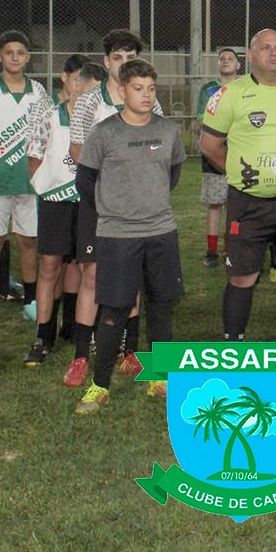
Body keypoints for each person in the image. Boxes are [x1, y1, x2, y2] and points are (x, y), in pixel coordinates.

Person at [73, 59, 185, 414]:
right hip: (118, 235)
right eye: (138, 88)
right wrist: (114, 209)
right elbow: (85, 181)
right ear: (122, 91)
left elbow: (173, 172)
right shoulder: (104, 133)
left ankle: (159, 376)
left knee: (161, 306)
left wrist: (150, 202)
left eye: (151, 88)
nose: (146, 95)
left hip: (161, 232)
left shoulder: (168, 131)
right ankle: (100, 385)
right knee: (114, 310)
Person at [199, 29, 276, 342]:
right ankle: (234, 343)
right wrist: (240, 173)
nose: (274, 53)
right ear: (250, 56)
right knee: (243, 276)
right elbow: (210, 146)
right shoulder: (229, 94)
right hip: (248, 203)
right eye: (266, 48)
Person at [65, 29, 163, 387]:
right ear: (106, 61)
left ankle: (129, 351)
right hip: (98, 202)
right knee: (92, 275)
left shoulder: (151, 102)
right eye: (117, 57)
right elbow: (77, 150)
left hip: (137, 206)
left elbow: (159, 147)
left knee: (131, 274)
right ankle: (80, 356)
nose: (124, 64)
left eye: (130, 57)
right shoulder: (90, 102)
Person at [23, 62, 103, 366]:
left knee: (85, 266)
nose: (87, 95)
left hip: (88, 202)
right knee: (50, 265)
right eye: (81, 85)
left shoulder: (101, 120)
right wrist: (46, 187)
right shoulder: (50, 115)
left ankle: (77, 328)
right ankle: (43, 335)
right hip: (56, 201)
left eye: (95, 91)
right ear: (71, 83)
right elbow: (34, 156)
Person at [0, 30, 45, 330]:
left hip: (28, 180)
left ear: (28, 57)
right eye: (9, 52)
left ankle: (30, 300)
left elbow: (43, 132)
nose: (15, 58)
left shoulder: (38, 90)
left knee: (29, 240)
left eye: (21, 53)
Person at [196, 48, 241, 268]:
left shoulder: (245, 88)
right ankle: (211, 251)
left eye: (230, 58)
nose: (226, 61)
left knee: (236, 204)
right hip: (215, 153)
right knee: (215, 203)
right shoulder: (208, 89)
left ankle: (230, 248)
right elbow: (201, 118)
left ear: (239, 65)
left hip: (241, 152)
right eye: (222, 58)